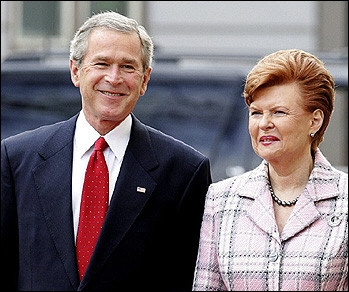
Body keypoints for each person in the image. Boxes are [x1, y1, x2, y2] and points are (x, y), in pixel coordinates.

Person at [1, 11, 212, 291]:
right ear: (76, 71)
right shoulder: (17, 158)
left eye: (128, 67)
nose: (114, 78)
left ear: (145, 79)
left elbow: (187, 279)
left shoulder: (184, 171)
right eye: (102, 63)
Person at [192, 49, 348, 291]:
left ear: (315, 120)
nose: (264, 123)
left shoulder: (344, 198)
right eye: (256, 112)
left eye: (279, 112)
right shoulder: (222, 199)